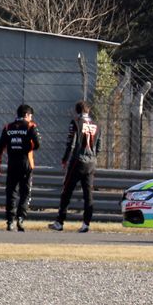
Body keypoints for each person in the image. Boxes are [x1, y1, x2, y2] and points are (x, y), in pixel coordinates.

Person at [48, 100, 100, 233]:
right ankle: (86, 224)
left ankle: (60, 222)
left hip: (77, 161)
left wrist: (65, 159)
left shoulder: (76, 122)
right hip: (91, 162)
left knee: (66, 191)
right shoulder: (97, 125)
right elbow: (99, 147)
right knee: (88, 194)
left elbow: (71, 143)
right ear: (88, 111)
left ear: (77, 111)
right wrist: (93, 157)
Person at [0, 104, 41, 232]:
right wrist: (27, 147)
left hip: (12, 164)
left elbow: (0, 147)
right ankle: (20, 218)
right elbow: (38, 144)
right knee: (25, 193)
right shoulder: (31, 126)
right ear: (26, 115)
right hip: (26, 164)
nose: (31, 118)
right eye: (30, 116)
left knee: (11, 193)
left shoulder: (8, 127)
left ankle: (10, 221)